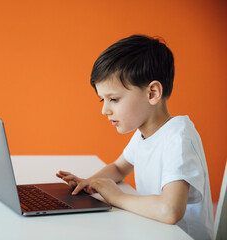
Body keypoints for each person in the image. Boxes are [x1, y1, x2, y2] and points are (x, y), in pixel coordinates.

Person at [56, 35, 213, 240]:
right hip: (152, 230)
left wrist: (116, 197)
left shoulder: (178, 136)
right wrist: (89, 182)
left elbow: (170, 211)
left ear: (152, 93)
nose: (104, 110)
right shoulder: (143, 134)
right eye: (102, 100)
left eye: (113, 99)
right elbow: (120, 167)